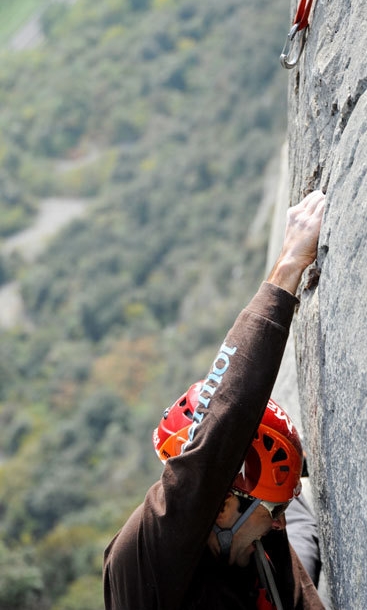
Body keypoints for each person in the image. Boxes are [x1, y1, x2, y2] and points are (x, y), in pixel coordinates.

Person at [103, 190, 326, 609]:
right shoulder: (146, 561)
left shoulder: (254, 547)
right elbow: (222, 424)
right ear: (222, 503)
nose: (275, 523)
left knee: (300, 525)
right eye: (272, 509)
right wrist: (289, 267)